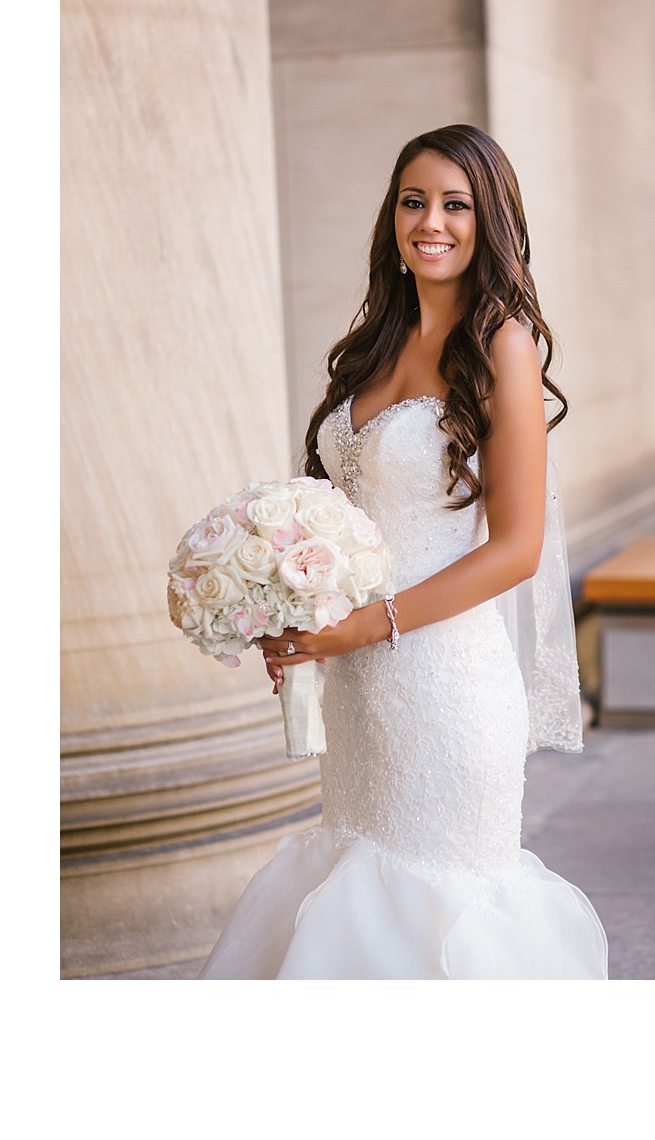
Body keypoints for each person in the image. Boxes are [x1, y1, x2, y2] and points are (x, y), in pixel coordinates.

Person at [201, 124, 607, 978]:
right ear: (392, 213)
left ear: (488, 219)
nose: (432, 221)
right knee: (355, 896)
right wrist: (299, 616)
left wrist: (363, 627)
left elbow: (519, 548)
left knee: (435, 913)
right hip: (357, 692)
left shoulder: (504, 345)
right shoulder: (376, 346)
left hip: (445, 689)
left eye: (456, 204)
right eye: (414, 200)